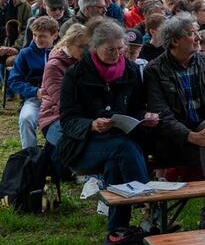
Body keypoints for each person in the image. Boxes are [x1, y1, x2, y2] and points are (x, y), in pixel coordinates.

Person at [58, 21, 160, 232]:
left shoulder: (130, 70)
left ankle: (117, 232)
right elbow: (67, 119)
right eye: (110, 50)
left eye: (121, 49)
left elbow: (137, 107)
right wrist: (92, 125)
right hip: (84, 143)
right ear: (95, 47)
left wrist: (145, 116)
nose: (117, 54)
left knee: (116, 162)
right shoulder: (75, 74)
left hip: (120, 139)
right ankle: (149, 203)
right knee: (123, 148)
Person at [144, 14, 205, 229]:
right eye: (192, 33)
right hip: (175, 141)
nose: (198, 38)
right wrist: (192, 137)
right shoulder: (154, 70)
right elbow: (162, 116)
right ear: (175, 40)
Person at [38, 23, 90, 149]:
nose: (86, 51)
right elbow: (63, 101)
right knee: (77, 148)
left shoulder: (85, 61)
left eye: (89, 46)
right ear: (68, 44)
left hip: (82, 114)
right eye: (82, 47)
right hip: (54, 118)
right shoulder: (54, 66)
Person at [9, 15, 57, 148]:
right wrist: (35, 91)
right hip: (35, 98)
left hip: (58, 99)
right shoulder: (25, 54)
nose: (37, 39)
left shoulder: (61, 52)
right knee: (26, 118)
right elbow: (14, 80)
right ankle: (30, 155)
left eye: (42, 36)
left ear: (54, 35)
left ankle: (55, 154)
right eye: (34, 35)